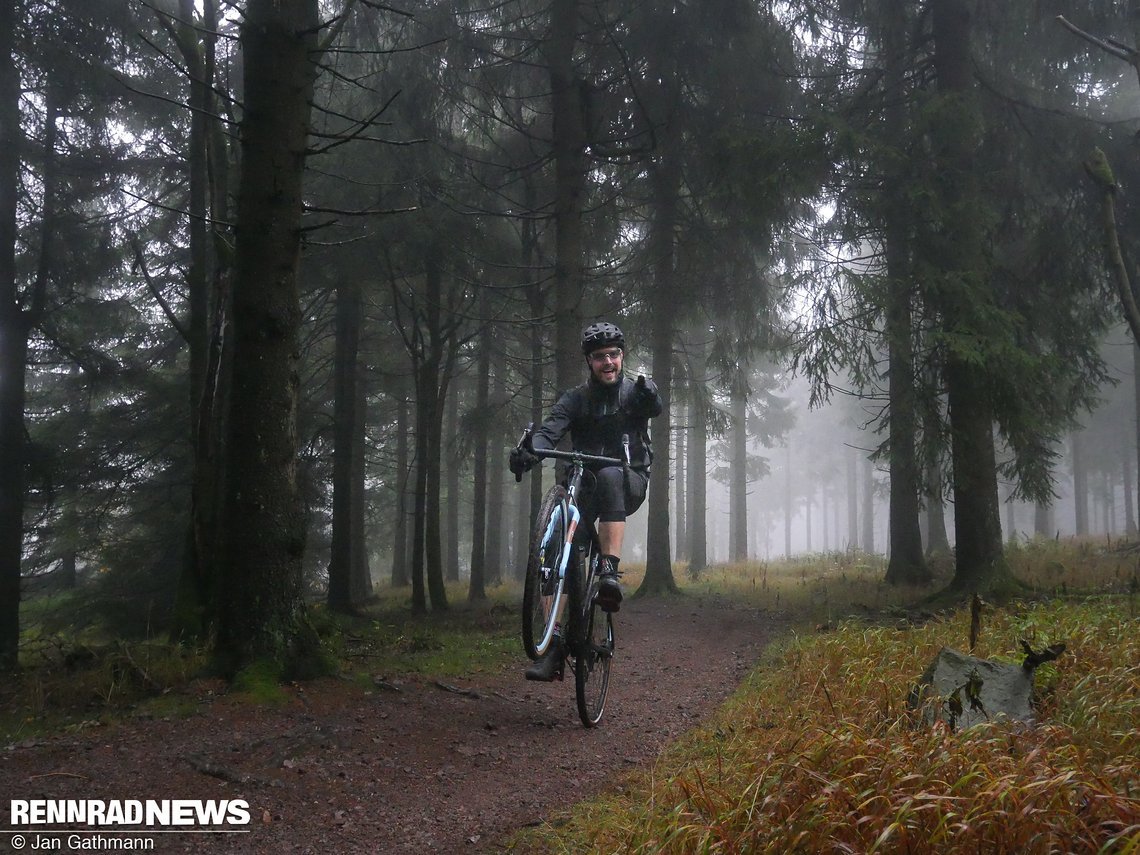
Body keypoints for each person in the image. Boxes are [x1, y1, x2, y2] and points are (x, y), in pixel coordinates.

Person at [509, 321, 662, 681]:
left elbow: (654, 406)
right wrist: (529, 452)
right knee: (556, 555)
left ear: (622, 357)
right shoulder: (575, 399)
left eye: (613, 355)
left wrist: (650, 394)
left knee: (609, 475)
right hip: (583, 485)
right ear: (589, 362)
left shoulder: (633, 394)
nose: (608, 362)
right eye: (599, 357)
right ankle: (555, 644)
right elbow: (549, 432)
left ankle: (609, 572)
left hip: (627, 480)